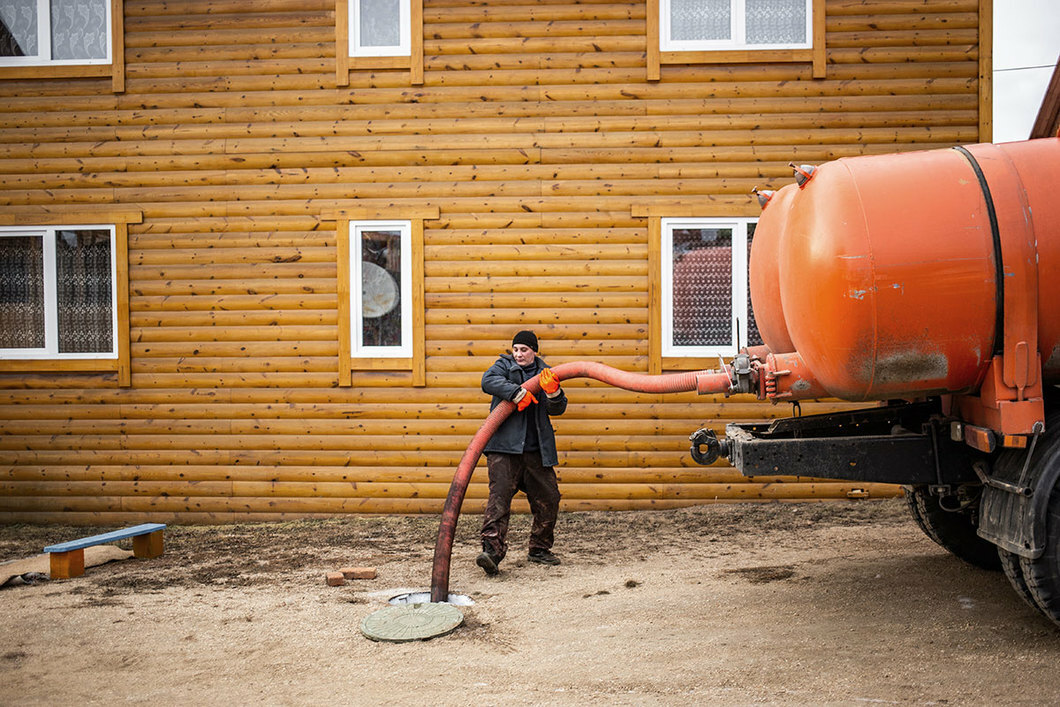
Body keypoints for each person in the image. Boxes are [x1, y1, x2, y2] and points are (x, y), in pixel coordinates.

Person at [476, 330, 568, 575]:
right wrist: (517, 393)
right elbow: (488, 381)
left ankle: (539, 549)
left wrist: (553, 392)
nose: (518, 354)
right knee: (499, 501)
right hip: (504, 449)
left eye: (524, 350)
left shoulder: (546, 372)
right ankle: (491, 553)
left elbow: (557, 408)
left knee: (549, 499)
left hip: (536, 451)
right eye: (515, 349)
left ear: (534, 351)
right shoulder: (503, 366)